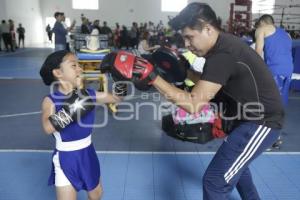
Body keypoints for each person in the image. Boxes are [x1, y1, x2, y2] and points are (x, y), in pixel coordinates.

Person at [103, 3, 284, 199]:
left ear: (207, 29)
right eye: (184, 38)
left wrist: (152, 76)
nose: (187, 44)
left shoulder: (223, 55)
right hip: (245, 119)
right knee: (238, 170)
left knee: (214, 183)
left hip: (260, 122)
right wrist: (185, 72)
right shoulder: (223, 46)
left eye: (190, 37)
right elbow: (212, 82)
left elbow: (193, 105)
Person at [40, 50, 122, 200]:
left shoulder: (89, 94)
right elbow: (47, 127)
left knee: (96, 195)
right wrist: (76, 103)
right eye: (74, 65)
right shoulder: (50, 100)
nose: (80, 68)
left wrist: (120, 80)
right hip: (66, 158)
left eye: (79, 65)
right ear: (58, 72)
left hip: (87, 153)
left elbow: (116, 99)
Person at [255, 14, 293, 106]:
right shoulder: (287, 34)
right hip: (289, 69)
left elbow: (258, 51)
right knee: (281, 97)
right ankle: (278, 118)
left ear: (262, 22)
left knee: (268, 97)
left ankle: (268, 118)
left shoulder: (261, 29)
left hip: (274, 68)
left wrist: (257, 70)